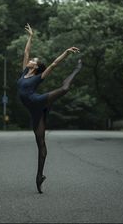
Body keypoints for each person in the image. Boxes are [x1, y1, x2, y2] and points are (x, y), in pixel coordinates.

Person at [17, 23, 82, 194]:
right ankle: (39, 177)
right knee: (41, 144)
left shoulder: (39, 77)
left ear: (37, 67)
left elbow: (53, 65)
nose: (30, 60)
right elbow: (26, 52)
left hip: (37, 101)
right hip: (34, 111)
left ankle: (76, 71)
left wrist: (66, 53)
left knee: (65, 89)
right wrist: (31, 36)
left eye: (33, 61)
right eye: (31, 60)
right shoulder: (24, 73)